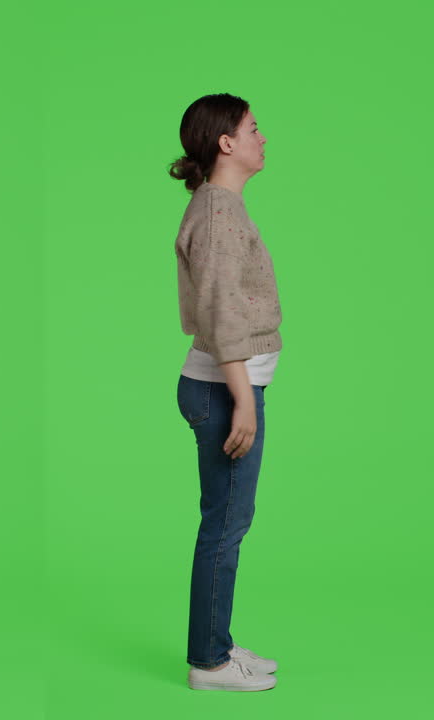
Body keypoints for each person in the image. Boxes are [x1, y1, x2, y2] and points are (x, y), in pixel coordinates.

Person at [170, 93, 281, 691]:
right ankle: (208, 662)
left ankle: (215, 639)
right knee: (225, 524)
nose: (265, 138)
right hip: (223, 390)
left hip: (227, 386)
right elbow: (218, 310)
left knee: (229, 519)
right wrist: (242, 397)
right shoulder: (217, 212)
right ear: (226, 143)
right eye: (255, 128)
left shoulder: (222, 207)